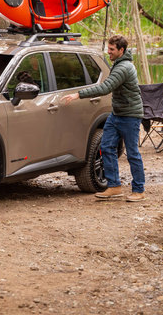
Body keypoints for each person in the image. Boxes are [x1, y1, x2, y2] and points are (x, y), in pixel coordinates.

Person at [61, 35, 145, 202]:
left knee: (133, 154)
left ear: (121, 50)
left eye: (112, 49)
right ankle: (114, 186)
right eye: (109, 48)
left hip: (130, 116)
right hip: (117, 114)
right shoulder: (118, 64)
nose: (109, 52)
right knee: (106, 146)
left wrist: (78, 94)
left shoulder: (124, 68)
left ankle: (139, 190)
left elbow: (105, 88)